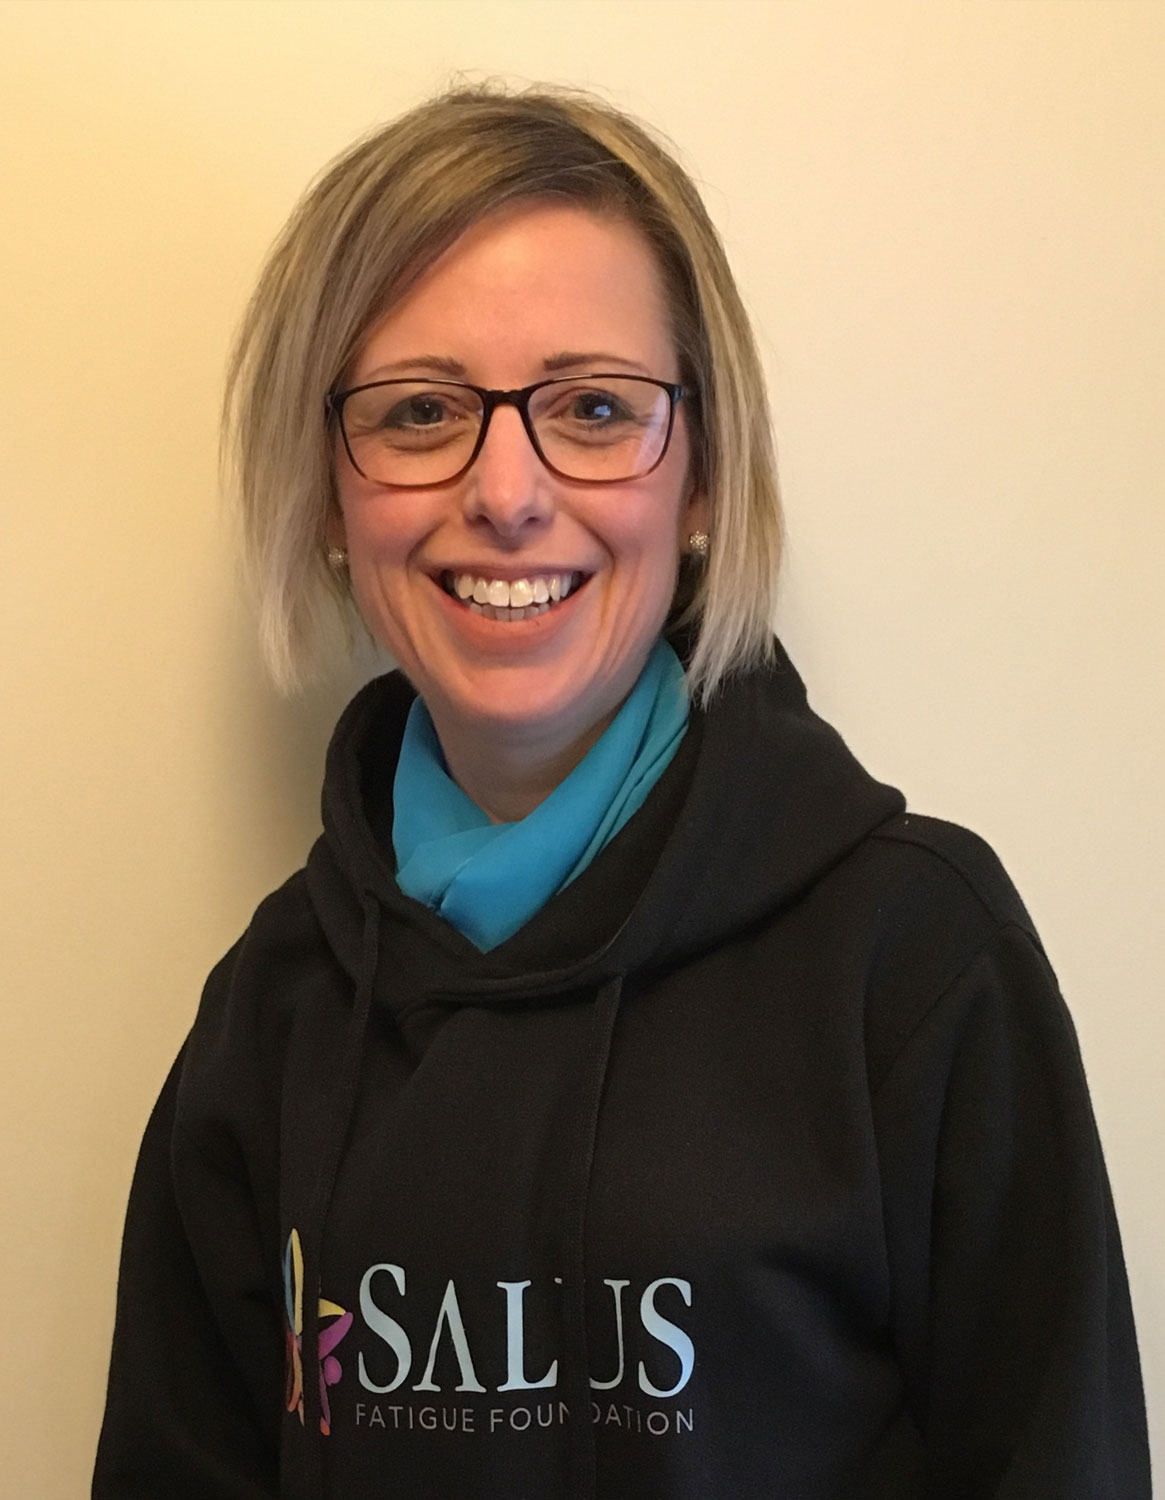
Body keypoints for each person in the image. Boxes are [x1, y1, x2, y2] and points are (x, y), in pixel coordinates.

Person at [92, 84, 1149, 1500]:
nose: (509, 489)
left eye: (592, 407)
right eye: (418, 413)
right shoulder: (269, 1014)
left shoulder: (912, 959)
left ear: (701, 474)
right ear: (330, 498)